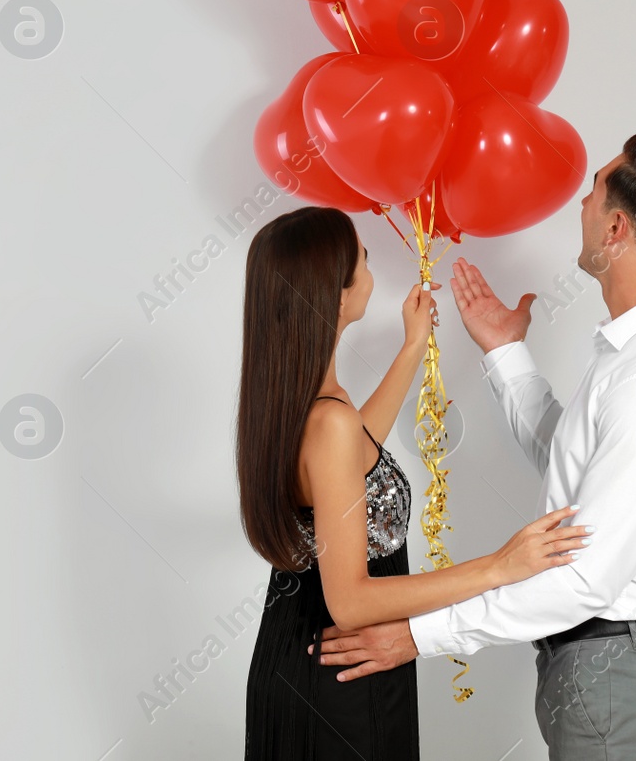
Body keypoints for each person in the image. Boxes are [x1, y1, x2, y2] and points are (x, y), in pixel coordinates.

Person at [314, 127, 636, 760]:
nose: (582, 203)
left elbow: (587, 580)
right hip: (604, 669)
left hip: (620, 676)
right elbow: (575, 469)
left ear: (617, 229)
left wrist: (418, 636)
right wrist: (505, 351)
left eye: (595, 189)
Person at [238, 205, 592, 760]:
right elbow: (351, 601)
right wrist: (499, 566)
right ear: (334, 294)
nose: (370, 260)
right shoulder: (327, 420)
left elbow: (356, 453)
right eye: (363, 255)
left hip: (311, 654)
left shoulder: (301, 406)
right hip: (341, 670)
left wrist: (411, 346)